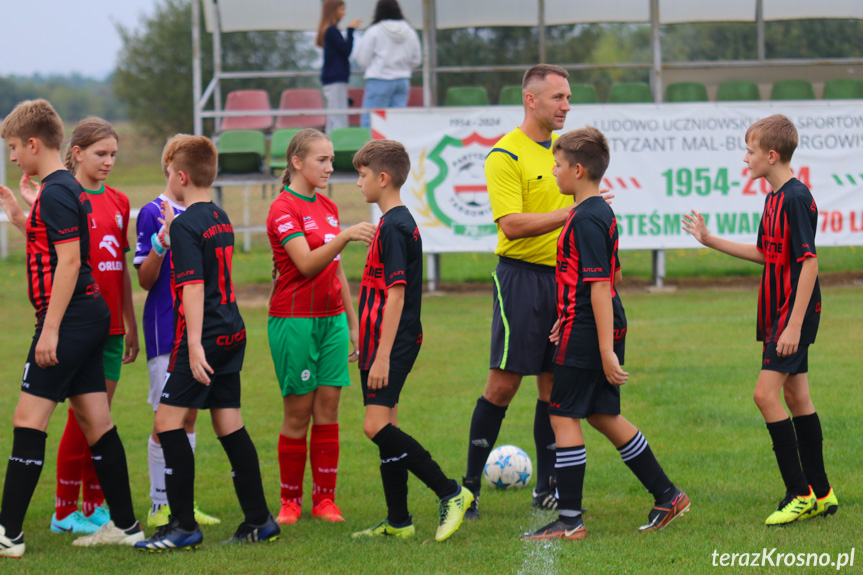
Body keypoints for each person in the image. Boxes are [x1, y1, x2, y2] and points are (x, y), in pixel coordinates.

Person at [522, 127, 690, 540]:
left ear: (578, 170)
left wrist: (603, 348)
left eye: (557, 166)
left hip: (591, 328)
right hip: (584, 321)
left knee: (562, 413)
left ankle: (570, 522)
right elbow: (590, 279)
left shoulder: (589, 217)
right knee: (601, 414)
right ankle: (668, 495)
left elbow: (601, 284)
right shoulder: (589, 213)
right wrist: (567, 312)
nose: (554, 172)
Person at [0, 99, 143, 558]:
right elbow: (52, 246)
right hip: (88, 316)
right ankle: (127, 526)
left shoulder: (59, 192)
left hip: (73, 319)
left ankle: (8, 534)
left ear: (34, 143)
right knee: (96, 422)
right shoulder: (59, 191)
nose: (11, 156)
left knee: (28, 420)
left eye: (14, 146)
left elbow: (69, 262)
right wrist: (25, 217)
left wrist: (50, 330)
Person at [683, 114, 837, 525]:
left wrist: (792, 324)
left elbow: (809, 263)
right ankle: (822, 491)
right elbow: (766, 255)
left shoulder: (794, 198)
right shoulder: (773, 198)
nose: (745, 158)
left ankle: (798, 492)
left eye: (750, 151)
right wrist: (709, 239)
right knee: (796, 397)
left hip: (792, 314)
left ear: (771, 155)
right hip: (779, 314)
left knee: (765, 396)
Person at [134, 135, 279, 551]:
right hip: (233, 330)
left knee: (167, 424)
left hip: (206, 336)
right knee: (228, 422)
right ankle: (259, 519)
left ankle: (182, 527)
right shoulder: (220, 215)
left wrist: (194, 345)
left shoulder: (184, 223)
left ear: (180, 176)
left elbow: (193, 287)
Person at [461, 64, 576, 518]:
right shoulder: (504, 155)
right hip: (521, 279)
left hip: (564, 279)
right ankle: (469, 487)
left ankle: (546, 486)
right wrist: (570, 215)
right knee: (504, 384)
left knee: (553, 385)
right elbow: (510, 225)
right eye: (558, 98)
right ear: (531, 100)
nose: (566, 106)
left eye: (568, 98)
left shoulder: (570, 152)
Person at [350, 140, 473, 542]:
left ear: (383, 178)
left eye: (363, 175)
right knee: (388, 426)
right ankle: (399, 520)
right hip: (377, 341)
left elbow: (397, 294)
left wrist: (383, 355)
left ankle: (451, 491)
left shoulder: (396, 226)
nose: (358, 183)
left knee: (374, 427)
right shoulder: (390, 223)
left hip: (393, 342)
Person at [34, 118, 138, 535]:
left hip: (112, 327)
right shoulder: (69, 198)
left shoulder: (120, 200)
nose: (109, 161)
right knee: (82, 420)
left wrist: (130, 320)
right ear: (75, 153)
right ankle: (64, 508)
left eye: (114, 154)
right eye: (100, 154)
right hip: (79, 324)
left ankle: (95, 506)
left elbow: (122, 269)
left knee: (101, 419)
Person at [266, 128, 375, 525]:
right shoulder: (282, 209)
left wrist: (353, 322)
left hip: (331, 322)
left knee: (328, 410)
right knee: (298, 413)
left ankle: (324, 500)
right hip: (294, 321)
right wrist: (345, 235)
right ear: (297, 162)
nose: (331, 167)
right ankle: (289, 501)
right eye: (322, 160)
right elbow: (308, 264)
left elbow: (335, 270)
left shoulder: (326, 206)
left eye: (331, 159)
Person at [134, 151, 220, 528]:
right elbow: (145, 280)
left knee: (190, 417)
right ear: (169, 167)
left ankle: (183, 501)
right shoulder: (152, 212)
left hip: (199, 330)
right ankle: (159, 504)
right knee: (166, 418)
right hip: (166, 328)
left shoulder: (204, 210)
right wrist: (162, 242)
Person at [354, 0, 421, 128]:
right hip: (402, 80)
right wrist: (404, 68)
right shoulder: (410, 31)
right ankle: (395, 148)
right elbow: (416, 60)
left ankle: (371, 148)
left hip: (379, 79)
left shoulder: (374, 30)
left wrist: (375, 67)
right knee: (398, 122)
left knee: (371, 121)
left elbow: (362, 59)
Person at [317, 0, 362, 133]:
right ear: (333, 11)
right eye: (341, 9)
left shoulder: (330, 30)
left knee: (335, 115)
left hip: (334, 78)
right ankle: (336, 145)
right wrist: (351, 30)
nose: (344, 13)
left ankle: (332, 145)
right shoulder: (331, 31)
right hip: (335, 78)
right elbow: (345, 50)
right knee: (338, 116)